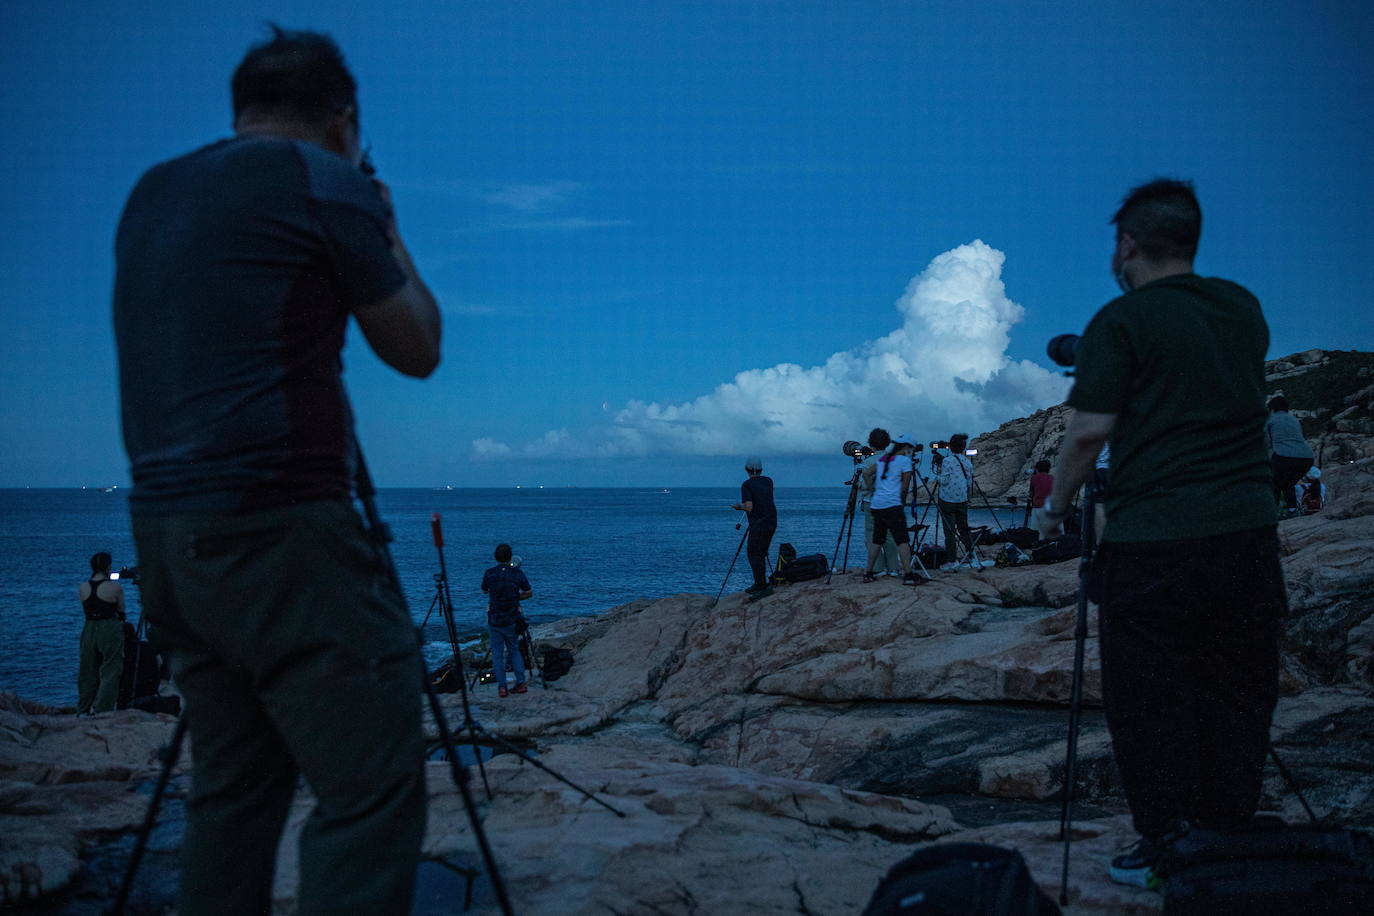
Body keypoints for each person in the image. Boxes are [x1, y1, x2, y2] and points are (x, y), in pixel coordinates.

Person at [113, 27, 441, 915]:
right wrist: (387, 223)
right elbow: (417, 347)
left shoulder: (152, 192)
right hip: (282, 525)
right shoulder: (328, 183)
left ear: (242, 110)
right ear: (345, 119)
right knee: (369, 789)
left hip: (165, 535)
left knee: (231, 787)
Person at [1036, 178, 1285, 889]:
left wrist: (1055, 511)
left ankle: (1168, 842)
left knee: (1150, 696)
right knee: (1238, 689)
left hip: (1154, 540)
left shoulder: (1124, 320)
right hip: (1247, 534)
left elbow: (1087, 433)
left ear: (1128, 245)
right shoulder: (1243, 309)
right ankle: (1228, 832)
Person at [862, 435, 920, 585]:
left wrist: (871, 489)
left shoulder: (884, 459)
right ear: (906, 447)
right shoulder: (905, 461)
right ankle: (908, 574)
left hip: (877, 505)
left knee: (877, 539)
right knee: (902, 540)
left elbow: (866, 473)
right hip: (893, 505)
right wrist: (902, 502)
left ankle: (868, 572)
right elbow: (905, 487)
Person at [76, 552, 125, 715]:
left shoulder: (83, 587)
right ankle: (103, 710)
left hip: (89, 629)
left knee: (87, 671)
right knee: (110, 669)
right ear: (108, 567)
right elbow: (121, 612)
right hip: (109, 628)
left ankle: (83, 709)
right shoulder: (115, 587)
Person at [481, 544, 533, 696]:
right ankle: (521, 683)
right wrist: (516, 597)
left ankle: (502, 687)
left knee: (497, 654)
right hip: (512, 618)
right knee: (514, 650)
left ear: (496, 557)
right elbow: (529, 593)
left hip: (495, 619)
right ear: (510, 557)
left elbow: (485, 590)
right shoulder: (517, 573)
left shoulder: (489, 573)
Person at [849, 429, 900, 575]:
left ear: (871, 443)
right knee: (889, 536)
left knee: (872, 535)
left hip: (872, 503)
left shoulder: (868, 462)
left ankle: (878, 568)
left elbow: (862, 485)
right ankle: (893, 568)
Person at [732, 456, 777, 600]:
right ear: (761, 469)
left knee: (753, 554)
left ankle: (761, 586)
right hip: (771, 521)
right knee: (762, 552)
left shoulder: (747, 485)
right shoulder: (768, 481)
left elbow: (749, 507)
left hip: (758, 524)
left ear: (746, 469)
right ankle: (761, 583)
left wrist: (739, 507)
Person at [935, 433, 979, 568]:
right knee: (964, 529)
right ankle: (972, 557)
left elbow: (945, 481)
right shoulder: (967, 462)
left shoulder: (947, 461)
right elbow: (969, 482)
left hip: (947, 499)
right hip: (962, 500)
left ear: (951, 447)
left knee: (949, 531)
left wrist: (937, 473)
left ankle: (952, 560)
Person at [1265, 395, 1314, 515]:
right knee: (1288, 483)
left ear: (1272, 409)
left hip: (1284, 457)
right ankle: (1293, 510)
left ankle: (1272, 514)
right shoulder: (1294, 420)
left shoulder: (1271, 420)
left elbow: (1266, 441)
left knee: (1274, 484)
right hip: (1306, 458)